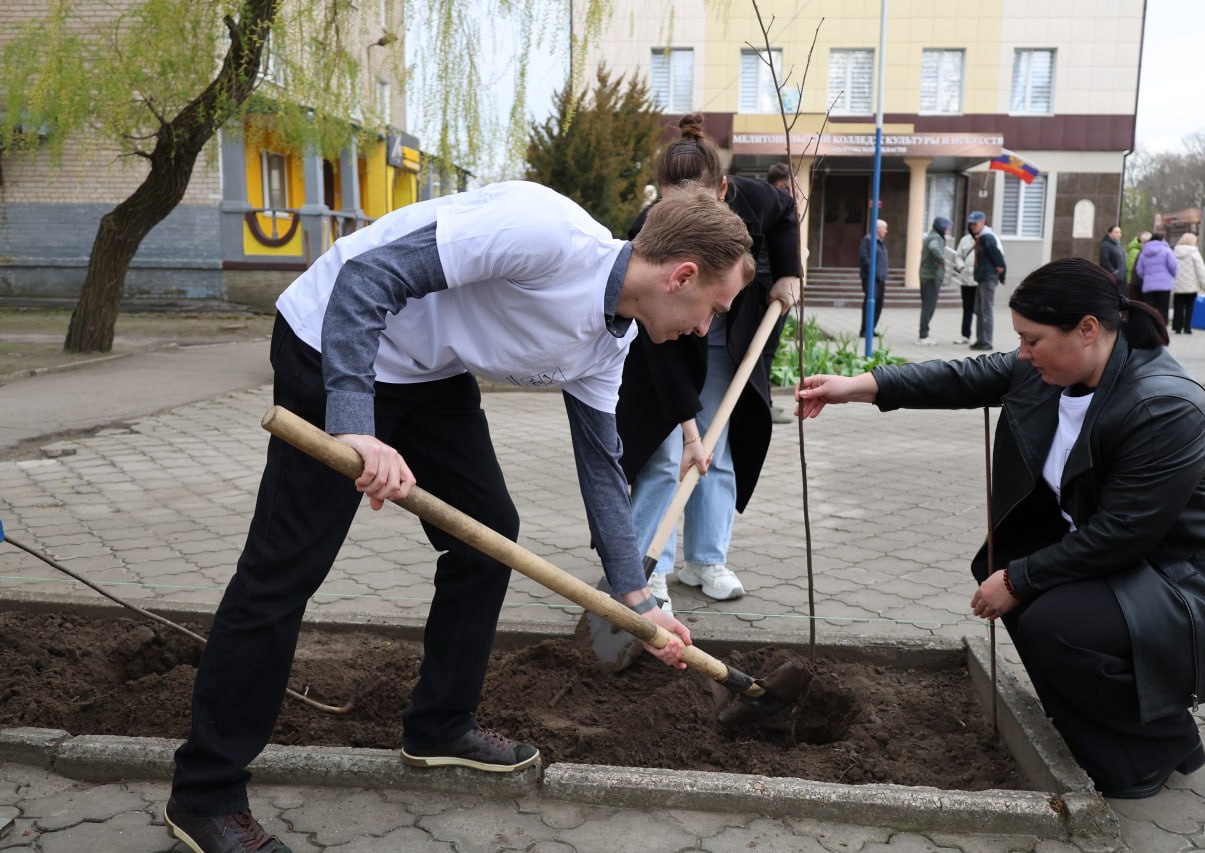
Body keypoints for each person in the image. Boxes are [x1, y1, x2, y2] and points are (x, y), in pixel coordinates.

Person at [163, 180, 755, 853]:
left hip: (425, 371)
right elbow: (367, 276)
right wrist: (355, 425)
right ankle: (205, 793)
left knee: (488, 536)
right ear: (682, 275)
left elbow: (601, 468)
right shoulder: (546, 233)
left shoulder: (607, 344)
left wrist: (638, 602)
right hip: (334, 341)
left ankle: (440, 724)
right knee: (284, 569)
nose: (706, 328)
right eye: (714, 307)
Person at [797, 256, 1205, 800]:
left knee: (1052, 622)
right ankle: (1141, 732)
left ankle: (1145, 756)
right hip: (1134, 565)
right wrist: (857, 386)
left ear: (1087, 330)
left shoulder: (1164, 408)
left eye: (1032, 339)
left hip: (1202, 585)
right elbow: (965, 376)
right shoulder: (1060, 368)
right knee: (1033, 602)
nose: (1021, 353)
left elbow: (1124, 533)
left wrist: (1020, 578)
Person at [618, 115, 801, 613]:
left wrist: (788, 273)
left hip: (728, 339)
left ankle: (705, 560)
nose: (683, 220)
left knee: (715, 449)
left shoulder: (754, 199)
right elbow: (660, 351)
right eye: (672, 208)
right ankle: (644, 569)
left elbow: (786, 211)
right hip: (666, 342)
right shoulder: (647, 233)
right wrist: (685, 427)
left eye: (698, 205)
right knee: (664, 453)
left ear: (722, 189)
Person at [761, 161, 798, 425]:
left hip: (771, 284)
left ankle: (767, 402)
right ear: (782, 185)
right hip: (769, 287)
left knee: (768, 348)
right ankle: (763, 406)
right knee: (765, 348)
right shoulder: (778, 208)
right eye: (792, 185)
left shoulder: (770, 206)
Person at [968, 211, 1006, 350]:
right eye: (971, 223)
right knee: (978, 309)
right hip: (982, 278)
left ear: (982, 223)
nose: (972, 226)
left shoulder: (988, 237)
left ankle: (987, 341)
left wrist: (1002, 275)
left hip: (988, 278)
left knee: (986, 310)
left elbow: (999, 259)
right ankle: (980, 339)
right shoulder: (981, 237)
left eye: (975, 223)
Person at [916, 216, 951, 344]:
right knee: (928, 307)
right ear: (941, 226)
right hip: (931, 277)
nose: (948, 229)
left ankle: (924, 334)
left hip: (927, 275)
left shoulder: (932, 235)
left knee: (927, 306)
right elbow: (934, 248)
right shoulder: (936, 237)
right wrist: (941, 260)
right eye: (947, 226)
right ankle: (923, 336)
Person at [1134, 232, 1177, 326]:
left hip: (1148, 285)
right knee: (1163, 308)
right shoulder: (1167, 250)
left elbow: (1139, 270)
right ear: (1162, 239)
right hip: (1164, 285)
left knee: (1149, 308)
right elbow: (1173, 266)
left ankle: (1149, 327)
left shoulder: (1144, 252)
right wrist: (1171, 277)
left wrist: (1146, 278)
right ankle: (1162, 328)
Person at [1171, 232, 1205, 334]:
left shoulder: (1174, 252)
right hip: (1191, 286)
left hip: (1177, 285)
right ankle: (1187, 328)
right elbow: (1201, 270)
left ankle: (1177, 327)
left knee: (1178, 307)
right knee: (1190, 308)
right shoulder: (1194, 252)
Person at [859, 219, 889, 337]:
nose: (886, 231)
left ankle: (871, 328)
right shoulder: (868, 240)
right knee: (870, 303)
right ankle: (865, 330)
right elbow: (864, 258)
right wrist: (873, 272)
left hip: (881, 278)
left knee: (878, 304)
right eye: (884, 228)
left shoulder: (881, 241)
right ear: (878, 229)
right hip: (871, 278)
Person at [951, 224, 977, 344]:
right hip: (966, 280)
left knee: (981, 310)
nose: (973, 228)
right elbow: (958, 256)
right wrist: (961, 268)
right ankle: (965, 335)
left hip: (980, 281)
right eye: (971, 226)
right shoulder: (965, 240)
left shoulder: (988, 237)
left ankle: (982, 337)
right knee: (967, 309)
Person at [1099, 225, 1128, 296]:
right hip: (1112, 278)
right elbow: (1104, 261)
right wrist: (1114, 272)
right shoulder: (1106, 245)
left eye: (1119, 232)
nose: (1118, 234)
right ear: (1109, 233)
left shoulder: (1119, 245)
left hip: (1122, 279)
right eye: (1116, 232)